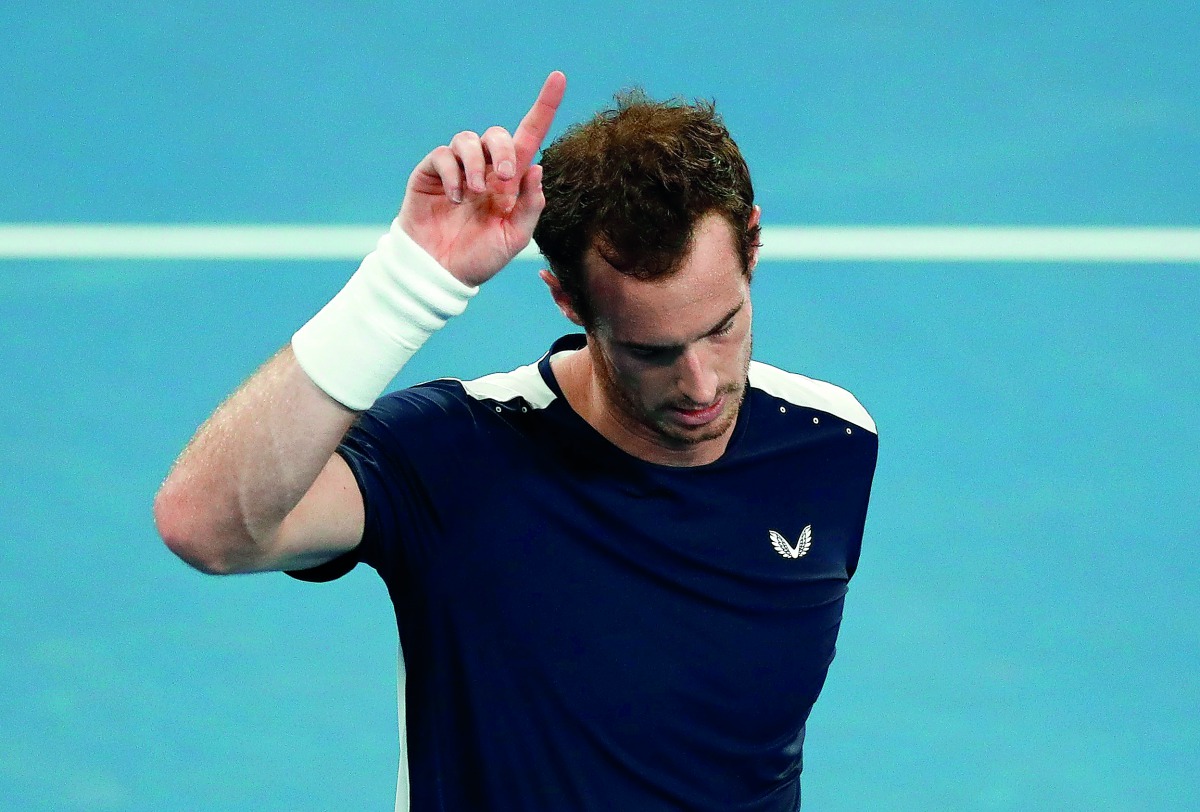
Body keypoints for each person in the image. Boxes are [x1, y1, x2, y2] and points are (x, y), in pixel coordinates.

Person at [154, 70, 878, 811]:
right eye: (650, 351)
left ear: (752, 244)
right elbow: (204, 527)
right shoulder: (452, 453)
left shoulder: (832, 444)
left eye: (722, 328)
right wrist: (407, 281)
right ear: (566, 298)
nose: (699, 384)